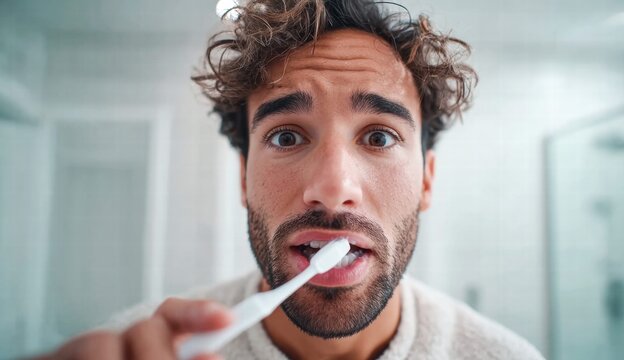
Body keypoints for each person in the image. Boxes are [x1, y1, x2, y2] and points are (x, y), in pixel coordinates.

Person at [40, 0, 544, 359]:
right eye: (286, 137)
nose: (331, 187)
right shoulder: (137, 345)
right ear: (242, 176)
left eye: (379, 137)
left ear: (427, 181)